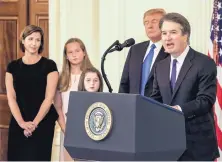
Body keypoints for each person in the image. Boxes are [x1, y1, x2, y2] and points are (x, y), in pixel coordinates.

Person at [150, 12, 219, 160]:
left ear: (185, 35)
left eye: (173, 32)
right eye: (164, 33)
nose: (167, 37)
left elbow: (205, 101)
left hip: (197, 145)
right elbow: (155, 98)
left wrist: (177, 110)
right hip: (167, 144)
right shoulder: (160, 66)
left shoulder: (204, 63)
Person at [5, 25, 59, 161]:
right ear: (23, 40)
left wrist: (34, 123)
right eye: (30, 39)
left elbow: (49, 98)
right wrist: (22, 123)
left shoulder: (50, 66)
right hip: (19, 120)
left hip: (43, 121)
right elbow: (11, 97)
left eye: (38, 40)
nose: (34, 43)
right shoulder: (12, 67)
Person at [54, 38, 93, 161]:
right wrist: (66, 130)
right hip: (67, 130)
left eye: (77, 51)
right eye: (70, 52)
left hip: (87, 131)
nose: (74, 55)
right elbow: (58, 107)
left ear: (84, 52)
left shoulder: (91, 76)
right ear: (66, 56)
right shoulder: (61, 77)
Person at [119, 8, 169, 97]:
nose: (149, 26)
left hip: (158, 107)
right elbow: (124, 83)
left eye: (154, 21)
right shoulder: (135, 50)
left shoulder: (170, 50)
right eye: (146, 22)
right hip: (133, 107)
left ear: (164, 25)